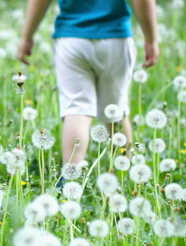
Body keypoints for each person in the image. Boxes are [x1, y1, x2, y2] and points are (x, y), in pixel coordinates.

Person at [17, 0, 159, 170]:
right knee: (116, 111)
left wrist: (27, 36)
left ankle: (71, 177)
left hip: (71, 39)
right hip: (115, 38)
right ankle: (124, 173)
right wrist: (151, 39)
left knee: (76, 109)